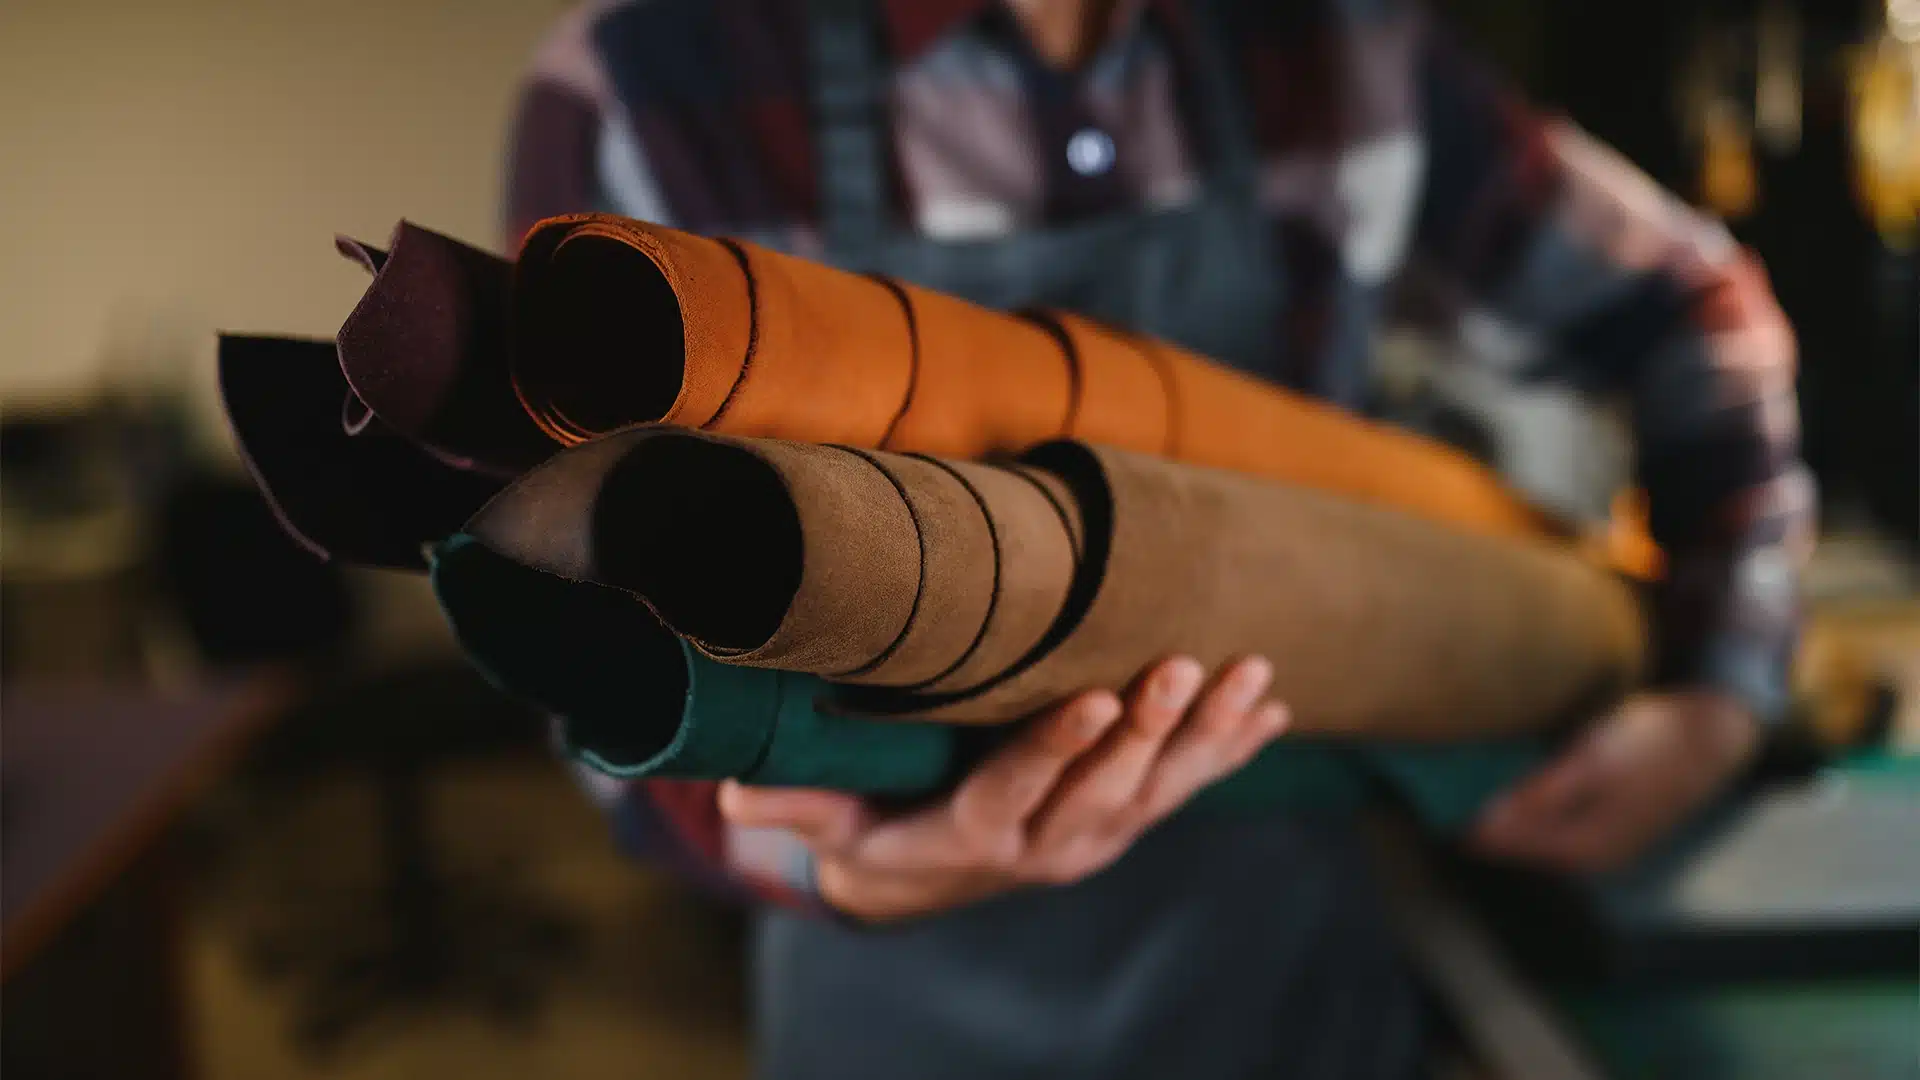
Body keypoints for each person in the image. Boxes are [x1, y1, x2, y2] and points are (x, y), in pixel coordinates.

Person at [505, 1, 1813, 1076]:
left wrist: (1719, 691)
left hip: (1291, 982)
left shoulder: (1339, 52)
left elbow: (1695, 307)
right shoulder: (648, 83)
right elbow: (575, 630)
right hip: (899, 1010)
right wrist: (843, 866)